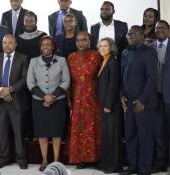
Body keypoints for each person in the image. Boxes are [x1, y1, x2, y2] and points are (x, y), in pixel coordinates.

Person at [27, 35, 70, 171]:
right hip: (39, 102)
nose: (45, 46)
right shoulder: (33, 61)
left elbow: (66, 81)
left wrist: (53, 96)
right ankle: (44, 160)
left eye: (48, 44)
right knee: (42, 133)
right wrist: (44, 97)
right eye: (42, 45)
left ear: (53, 46)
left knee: (56, 133)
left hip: (57, 102)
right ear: (40, 47)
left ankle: (56, 161)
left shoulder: (62, 60)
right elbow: (30, 82)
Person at [0, 34, 28, 169]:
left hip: (16, 100)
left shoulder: (23, 58)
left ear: (15, 44)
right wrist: (1, 90)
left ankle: (21, 159)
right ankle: (4, 158)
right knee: (2, 132)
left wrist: (10, 90)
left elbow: (25, 78)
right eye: (5, 42)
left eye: (10, 43)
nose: (7, 45)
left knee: (18, 132)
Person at [120, 26, 157, 175]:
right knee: (130, 136)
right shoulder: (125, 52)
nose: (129, 36)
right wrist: (121, 94)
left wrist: (142, 100)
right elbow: (122, 76)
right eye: (128, 34)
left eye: (133, 34)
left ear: (141, 35)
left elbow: (152, 79)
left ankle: (144, 169)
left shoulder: (149, 52)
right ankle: (132, 166)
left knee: (145, 137)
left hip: (143, 104)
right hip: (127, 103)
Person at [67, 32, 102, 168]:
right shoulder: (71, 57)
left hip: (94, 98)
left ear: (89, 42)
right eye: (78, 41)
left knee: (94, 127)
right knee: (79, 128)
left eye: (84, 40)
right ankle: (82, 159)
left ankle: (97, 158)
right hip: (76, 98)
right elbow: (68, 80)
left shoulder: (97, 56)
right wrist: (68, 100)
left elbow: (102, 78)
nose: (80, 43)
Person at [150, 20, 170, 174]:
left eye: (162, 28)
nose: (159, 30)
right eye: (157, 28)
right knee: (158, 132)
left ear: (168, 31)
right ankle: (161, 162)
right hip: (154, 97)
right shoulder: (149, 47)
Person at [97, 37, 123, 173]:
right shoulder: (104, 60)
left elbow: (114, 85)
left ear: (111, 47)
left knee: (113, 137)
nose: (102, 48)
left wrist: (108, 104)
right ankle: (107, 163)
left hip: (111, 106)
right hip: (104, 106)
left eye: (105, 46)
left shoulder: (113, 61)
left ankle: (114, 165)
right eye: (101, 46)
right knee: (107, 136)